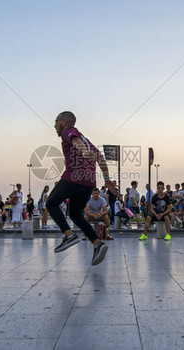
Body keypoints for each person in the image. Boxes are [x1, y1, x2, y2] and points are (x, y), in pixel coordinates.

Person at [45, 111, 116, 266]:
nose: (54, 125)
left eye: (56, 121)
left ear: (63, 122)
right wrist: (107, 179)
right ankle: (98, 244)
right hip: (89, 183)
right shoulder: (86, 139)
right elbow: (100, 158)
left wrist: (83, 151)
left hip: (74, 177)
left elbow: (76, 142)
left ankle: (69, 235)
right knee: (76, 214)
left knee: (50, 203)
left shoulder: (68, 132)